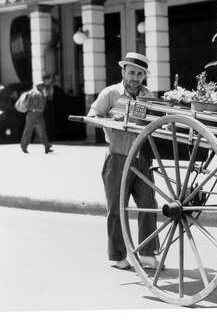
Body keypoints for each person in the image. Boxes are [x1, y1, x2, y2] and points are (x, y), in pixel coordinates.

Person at [88, 52, 160, 270]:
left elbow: (158, 120)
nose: (135, 78)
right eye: (131, 73)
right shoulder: (111, 93)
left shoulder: (148, 95)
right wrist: (111, 119)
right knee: (116, 209)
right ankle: (118, 256)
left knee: (148, 205)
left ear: (144, 76)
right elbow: (92, 117)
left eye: (139, 74)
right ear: (123, 72)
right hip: (118, 158)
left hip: (142, 158)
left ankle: (147, 254)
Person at [19, 75, 54, 154]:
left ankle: (47, 147)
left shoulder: (44, 90)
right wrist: (34, 109)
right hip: (32, 114)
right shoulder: (35, 92)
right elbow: (28, 105)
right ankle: (24, 146)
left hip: (39, 114)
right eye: (49, 80)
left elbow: (48, 98)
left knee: (42, 131)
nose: (50, 82)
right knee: (28, 130)